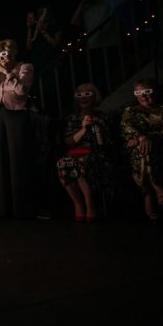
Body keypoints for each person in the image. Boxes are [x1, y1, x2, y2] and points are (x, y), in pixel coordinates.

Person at [0, 39, 35, 218]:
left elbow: (21, 91)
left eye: (6, 54)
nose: (3, 58)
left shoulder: (24, 67)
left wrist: (5, 72)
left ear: (13, 53)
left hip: (17, 115)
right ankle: (4, 208)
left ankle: (21, 207)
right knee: (1, 159)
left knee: (17, 158)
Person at [120, 80, 163, 224]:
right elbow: (126, 128)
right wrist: (141, 138)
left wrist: (145, 138)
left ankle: (148, 195)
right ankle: (160, 191)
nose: (143, 96)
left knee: (145, 150)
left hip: (162, 147)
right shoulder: (130, 111)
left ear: (155, 92)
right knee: (143, 150)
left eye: (147, 92)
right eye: (139, 92)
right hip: (137, 149)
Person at [57, 83, 112, 222]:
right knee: (62, 164)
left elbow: (102, 144)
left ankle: (90, 204)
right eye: (79, 95)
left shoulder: (103, 117)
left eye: (87, 94)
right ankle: (78, 203)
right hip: (75, 153)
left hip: (96, 154)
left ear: (94, 97)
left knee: (81, 164)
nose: (83, 98)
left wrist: (96, 127)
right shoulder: (72, 118)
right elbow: (69, 142)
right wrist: (83, 129)